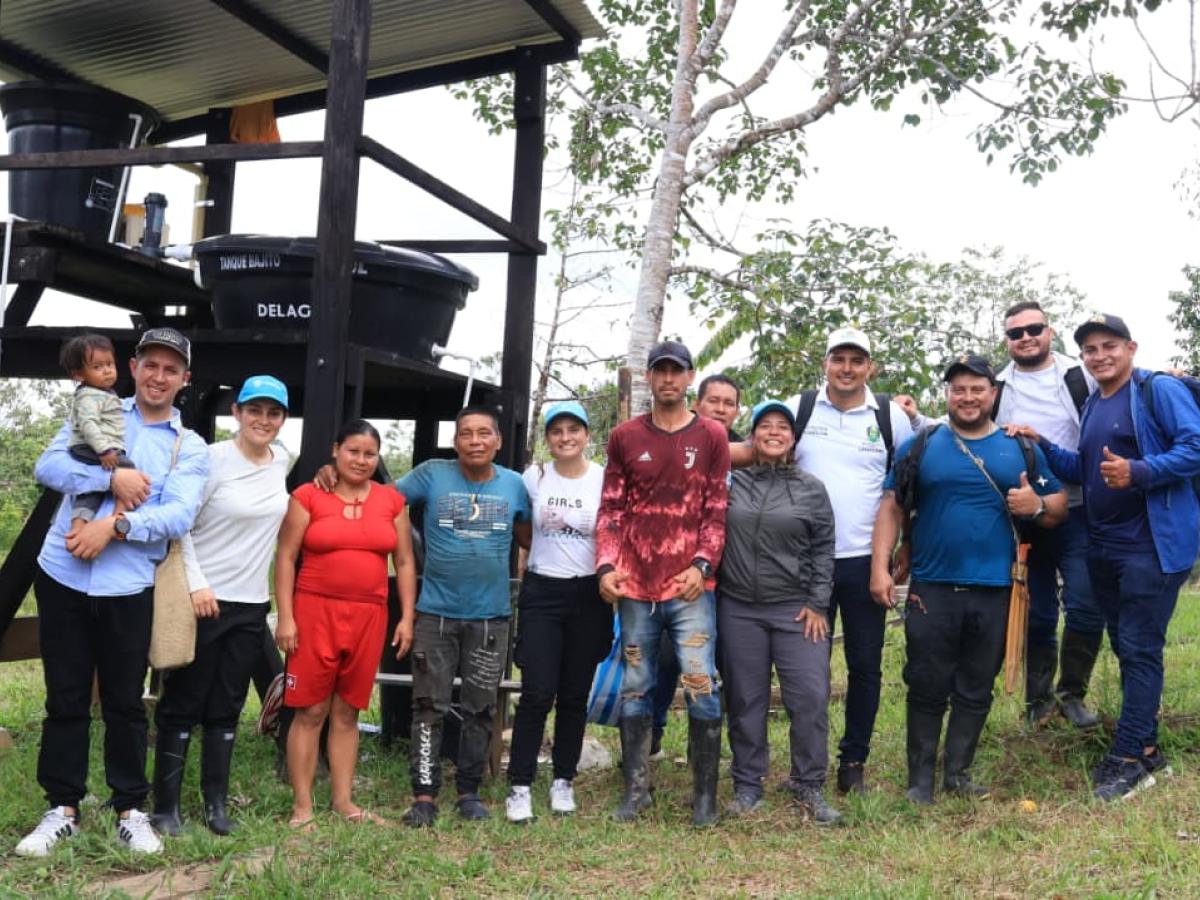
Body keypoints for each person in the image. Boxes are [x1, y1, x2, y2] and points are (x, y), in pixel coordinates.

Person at [17, 327, 208, 858]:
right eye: (151, 365)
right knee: (66, 696)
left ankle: (130, 807)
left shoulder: (186, 446)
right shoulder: (96, 408)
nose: (159, 376)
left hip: (128, 582)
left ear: (184, 380)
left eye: (171, 369)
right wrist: (111, 482)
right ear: (133, 366)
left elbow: (177, 513)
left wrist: (114, 528)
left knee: (125, 700)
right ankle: (62, 807)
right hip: (62, 574)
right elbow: (48, 465)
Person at [1011, 315, 1200, 801]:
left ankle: (1129, 758)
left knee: (1139, 648)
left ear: (1131, 347)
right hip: (1107, 546)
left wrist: (1138, 471)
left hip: (1151, 546)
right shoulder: (1095, 402)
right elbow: (1086, 469)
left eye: (1108, 346)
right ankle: (1148, 746)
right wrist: (1042, 443)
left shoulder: (1155, 390)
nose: (1099, 356)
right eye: (1090, 349)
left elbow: (1195, 447)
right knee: (1127, 646)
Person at [871, 354, 1067, 806]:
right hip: (932, 586)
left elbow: (1058, 505)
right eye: (959, 389)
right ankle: (920, 781)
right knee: (926, 682)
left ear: (993, 394)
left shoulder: (1018, 448)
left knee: (978, 683)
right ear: (948, 395)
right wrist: (879, 565)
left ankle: (957, 773)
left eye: (977, 388)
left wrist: (1034, 506)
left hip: (997, 588)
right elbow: (891, 507)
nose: (968, 397)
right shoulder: (922, 445)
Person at [773, 326, 918, 794]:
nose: (848, 369)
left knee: (865, 665)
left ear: (870, 368)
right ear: (826, 363)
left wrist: (901, 550)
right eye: (839, 359)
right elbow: (766, 455)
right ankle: (804, 765)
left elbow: (905, 486)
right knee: (805, 668)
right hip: (802, 562)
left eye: (858, 361)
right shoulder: (801, 408)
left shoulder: (890, 416)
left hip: (863, 560)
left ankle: (853, 760)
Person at [149, 375, 291, 837]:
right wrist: (197, 584)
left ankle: (216, 803)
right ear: (238, 413)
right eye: (255, 411)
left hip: (251, 603)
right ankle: (165, 808)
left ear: (282, 419)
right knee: (183, 701)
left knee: (227, 704)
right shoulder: (210, 460)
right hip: (204, 598)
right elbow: (180, 525)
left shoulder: (282, 461)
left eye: (273, 413)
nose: (263, 421)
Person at [598, 340, 730, 827]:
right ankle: (636, 792)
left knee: (701, 682)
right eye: (661, 372)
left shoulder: (711, 435)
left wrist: (702, 565)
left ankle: (704, 800)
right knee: (636, 685)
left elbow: (716, 509)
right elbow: (611, 506)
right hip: (635, 584)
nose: (669, 380)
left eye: (677, 372)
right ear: (649, 378)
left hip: (690, 586)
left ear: (690, 378)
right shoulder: (624, 436)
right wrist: (606, 566)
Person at [274, 420, 417, 829]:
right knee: (310, 710)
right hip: (315, 610)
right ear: (336, 450)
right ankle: (302, 805)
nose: (361, 460)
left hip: (370, 614)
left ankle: (343, 801)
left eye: (369, 454)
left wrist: (406, 617)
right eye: (353, 451)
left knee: (348, 711)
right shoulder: (309, 495)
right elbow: (285, 556)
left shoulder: (392, 501)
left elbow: (404, 562)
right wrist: (286, 617)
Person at [397, 406, 531, 827]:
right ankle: (424, 793)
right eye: (466, 434)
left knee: (480, 708)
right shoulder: (432, 474)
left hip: (491, 618)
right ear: (456, 442)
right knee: (428, 706)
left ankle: (469, 791)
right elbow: (383, 499)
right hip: (434, 614)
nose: (475, 441)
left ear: (498, 441)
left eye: (483, 434)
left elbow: (527, 534)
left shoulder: (514, 485)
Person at [719, 400, 840, 824]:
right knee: (745, 698)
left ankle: (808, 784)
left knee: (809, 696)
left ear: (793, 439)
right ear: (751, 437)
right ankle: (748, 785)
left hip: (796, 610)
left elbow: (825, 549)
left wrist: (817, 603)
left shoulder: (811, 488)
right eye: (764, 426)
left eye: (782, 427)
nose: (773, 432)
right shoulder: (731, 482)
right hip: (738, 609)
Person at [992, 301, 1106, 728]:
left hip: (1078, 509)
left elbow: (1121, 393)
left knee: (1085, 604)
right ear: (1007, 339)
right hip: (1025, 516)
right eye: (1015, 333)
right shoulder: (997, 386)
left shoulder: (1080, 376)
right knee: (1037, 610)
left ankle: (1071, 694)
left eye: (1033, 329)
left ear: (1049, 330)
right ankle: (1036, 703)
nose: (1025, 338)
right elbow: (967, 424)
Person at [505, 401, 612, 823]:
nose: (565, 437)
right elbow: (521, 526)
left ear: (587, 435)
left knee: (573, 694)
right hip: (543, 591)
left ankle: (563, 779)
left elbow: (613, 530)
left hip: (589, 592)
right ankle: (520, 784)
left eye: (574, 430)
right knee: (536, 692)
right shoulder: (533, 477)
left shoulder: (604, 479)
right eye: (557, 431)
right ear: (547, 438)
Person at [650, 372, 742, 758]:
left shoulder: (747, 453)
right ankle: (650, 739)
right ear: (696, 404)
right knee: (668, 659)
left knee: (726, 667)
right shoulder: (677, 443)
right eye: (713, 401)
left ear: (737, 412)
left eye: (729, 403)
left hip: (735, 579)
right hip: (679, 577)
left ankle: (708, 750)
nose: (720, 409)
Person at [57, 333, 136, 527]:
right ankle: (118, 517)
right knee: (129, 470)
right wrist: (105, 450)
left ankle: (77, 527)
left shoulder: (102, 393)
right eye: (97, 367)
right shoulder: (89, 396)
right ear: (79, 375)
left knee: (92, 490)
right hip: (89, 446)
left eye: (110, 364)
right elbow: (88, 424)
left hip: (92, 446)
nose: (107, 371)